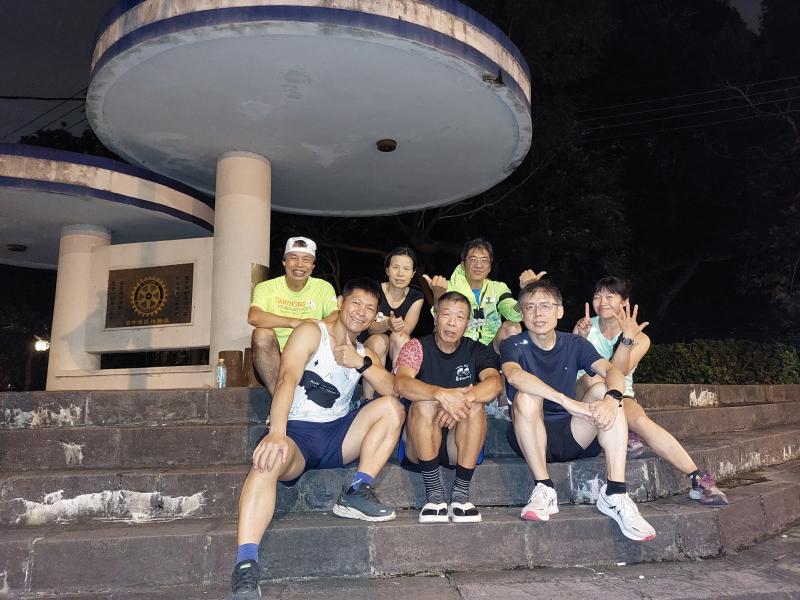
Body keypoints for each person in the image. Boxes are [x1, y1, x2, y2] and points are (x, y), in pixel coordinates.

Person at [227, 278, 405, 600]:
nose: (361, 312)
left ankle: (357, 490)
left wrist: (360, 363)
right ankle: (246, 567)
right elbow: (287, 378)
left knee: (392, 408)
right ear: (340, 302)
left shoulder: (364, 352)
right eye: (356, 303)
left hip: (338, 436)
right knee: (267, 463)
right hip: (298, 434)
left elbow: (392, 389)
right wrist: (277, 432)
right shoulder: (312, 332)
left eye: (370, 308)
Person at [501, 280, 656, 542]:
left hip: (574, 434)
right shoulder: (514, 344)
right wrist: (565, 400)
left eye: (545, 306)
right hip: (529, 435)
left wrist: (612, 398)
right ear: (522, 313)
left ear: (559, 311)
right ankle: (544, 487)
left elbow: (612, 371)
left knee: (603, 391)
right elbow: (514, 376)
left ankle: (615, 493)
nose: (538, 313)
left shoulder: (574, 343)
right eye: (530, 307)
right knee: (526, 397)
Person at [573, 276, 728, 505]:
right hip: (583, 392)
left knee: (641, 420)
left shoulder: (640, 338)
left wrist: (627, 339)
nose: (602, 301)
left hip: (619, 394)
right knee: (594, 379)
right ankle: (624, 430)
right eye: (598, 296)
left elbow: (618, 372)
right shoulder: (586, 326)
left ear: (624, 302)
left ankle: (697, 477)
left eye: (610, 296)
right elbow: (572, 365)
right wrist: (579, 338)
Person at [394, 291, 503, 523]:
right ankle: (434, 495)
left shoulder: (476, 350)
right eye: (446, 315)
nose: (452, 322)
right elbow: (401, 383)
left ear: (467, 323)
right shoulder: (416, 347)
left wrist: (462, 401)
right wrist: (440, 395)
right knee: (423, 404)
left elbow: (495, 383)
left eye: (459, 317)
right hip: (418, 443)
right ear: (435, 317)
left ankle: (460, 495)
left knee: (476, 405)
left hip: (458, 444)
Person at [422, 238, 546, 354]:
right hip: (460, 348)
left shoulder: (498, 288)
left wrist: (526, 291)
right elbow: (439, 321)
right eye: (473, 259)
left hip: (491, 349)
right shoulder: (448, 287)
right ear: (463, 265)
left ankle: (507, 367)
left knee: (513, 326)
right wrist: (438, 294)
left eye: (484, 260)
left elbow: (513, 315)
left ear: (489, 267)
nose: (478, 265)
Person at [248, 237, 338, 394]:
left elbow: (335, 316)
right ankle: (278, 398)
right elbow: (254, 317)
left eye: (306, 259)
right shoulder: (265, 287)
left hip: (309, 354)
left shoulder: (323, 287)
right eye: (293, 258)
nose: (299, 265)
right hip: (274, 358)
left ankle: (284, 403)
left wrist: (311, 326)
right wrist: (295, 322)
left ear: (313, 265)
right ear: (284, 262)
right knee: (261, 334)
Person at [360, 247, 425, 398]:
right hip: (370, 348)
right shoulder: (374, 291)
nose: (400, 273)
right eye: (395, 267)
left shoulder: (417, 297)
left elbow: (406, 330)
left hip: (396, 351)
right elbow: (369, 327)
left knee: (401, 336)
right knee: (379, 339)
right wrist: (387, 324)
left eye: (406, 269)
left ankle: (398, 395)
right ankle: (367, 399)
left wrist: (387, 322)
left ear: (413, 273)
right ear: (387, 270)